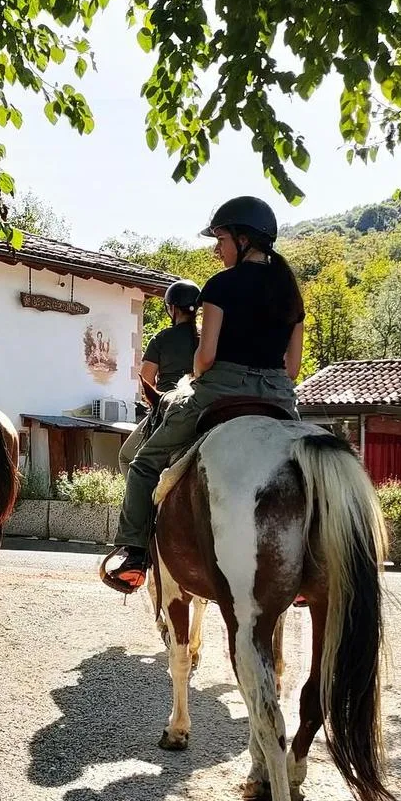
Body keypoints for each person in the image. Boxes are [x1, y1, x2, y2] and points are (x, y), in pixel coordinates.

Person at [102, 196, 304, 593]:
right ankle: (306, 566)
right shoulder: (291, 293)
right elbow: (293, 368)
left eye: (221, 238)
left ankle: (134, 554)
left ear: (244, 240)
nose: (216, 248)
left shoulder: (221, 285)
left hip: (219, 391)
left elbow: (206, 358)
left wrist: (198, 369)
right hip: (279, 397)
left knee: (144, 464)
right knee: (308, 471)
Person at [118, 279, 201, 472]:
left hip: (168, 409)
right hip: (203, 405)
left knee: (126, 457)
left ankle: (139, 502)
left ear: (172, 308)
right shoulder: (207, 337)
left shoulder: (161, 339)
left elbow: (146, 380)